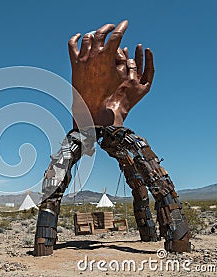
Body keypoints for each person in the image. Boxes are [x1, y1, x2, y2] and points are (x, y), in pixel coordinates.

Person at [34, 20, 191, 256]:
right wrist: (87, 105)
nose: (119, 69)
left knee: (141, 163)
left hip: (104, 128)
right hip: (85, 128)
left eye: (118, 64)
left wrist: (118, 107)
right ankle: (168, 237)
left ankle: (170, 238)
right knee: (59, 171)